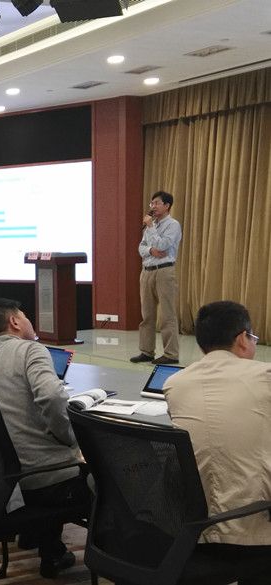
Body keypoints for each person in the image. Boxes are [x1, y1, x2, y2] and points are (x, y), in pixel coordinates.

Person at [0, 298, 90, 579]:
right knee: (104, 474)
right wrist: (70, 439)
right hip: (47, 481)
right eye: (25, 315)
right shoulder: (31, 350)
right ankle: (116, 558)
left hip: (5, 484)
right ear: (15, 322)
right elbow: (53, 397)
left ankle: (48, 545)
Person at [164, 301, 271, 573]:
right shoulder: (265, 376)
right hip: (254, 531)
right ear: (243, 339)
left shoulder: (174, 384)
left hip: (191, 532)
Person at [130, 191, 182, 365]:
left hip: (164, 271)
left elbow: (163, 245)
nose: (153, 206)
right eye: (151, 203)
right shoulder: (151, 226)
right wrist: (151, 250)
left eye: (156, 203)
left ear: (167, 205)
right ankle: (147, 351)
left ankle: (171, 354)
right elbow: (141, 247)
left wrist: (151, 229)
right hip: (146, 271)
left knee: (167, 314)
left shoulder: (173, 225)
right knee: (147, 315)